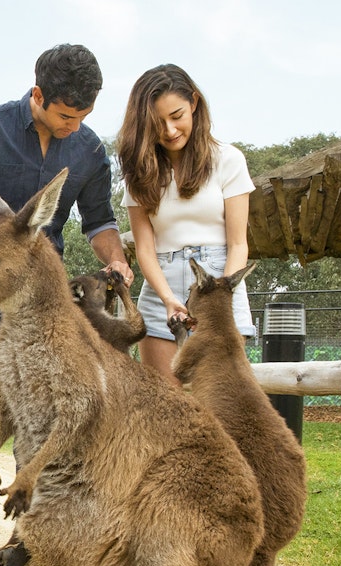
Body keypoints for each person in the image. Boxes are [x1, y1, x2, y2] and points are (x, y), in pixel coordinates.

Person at [0, 44, 132, 554]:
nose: (74, 126)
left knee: (46, 406)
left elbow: (100, 220)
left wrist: (118, 259)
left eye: (84, 116)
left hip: (46, 293)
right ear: (38, 95)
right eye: (66, 115)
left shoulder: (85, 148)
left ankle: (28, 529)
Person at [116, 63, 256, 384]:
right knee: (165, 408)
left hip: (220, 284)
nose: (169, 130)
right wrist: (168, 300)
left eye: (177, 115)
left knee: (221, 404)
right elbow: (145, 251)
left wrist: (219, 300)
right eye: (157, 123)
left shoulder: (229, 160)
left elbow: (238, 244)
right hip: (160, 287)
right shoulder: (139, 174)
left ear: (194, 103)